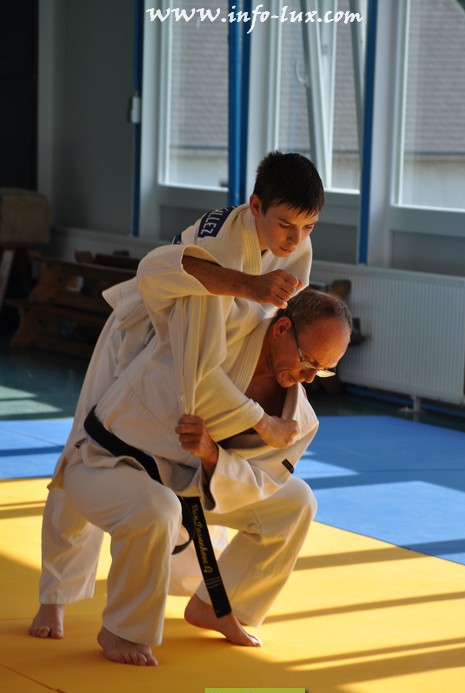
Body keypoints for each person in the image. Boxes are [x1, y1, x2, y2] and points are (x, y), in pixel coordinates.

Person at [30, 151, 325, 641]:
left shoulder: (295, 247)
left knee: (182, 472)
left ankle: (212, 595)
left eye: (308, 228)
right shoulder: (222, 245)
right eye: (287, 226)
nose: (296, 240)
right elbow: (159, 272)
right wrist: (258, 417)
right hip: (142, 338)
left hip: (207, 361)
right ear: (255, 207)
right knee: (83, 451)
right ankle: (55, 599)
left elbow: (270, 329)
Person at [40, 289, 352, 665]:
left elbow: (261, 482)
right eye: (307, 361)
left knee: (297, 502)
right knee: (155, 508)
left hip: (191, 479)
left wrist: (213, 454)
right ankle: (119, 628)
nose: (309, 377)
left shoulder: (300, 419)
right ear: (281, 328)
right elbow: (172, 283)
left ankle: (217, 607)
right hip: (112, 460)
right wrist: (258, 421)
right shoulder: (214, 329)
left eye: (323, 369)